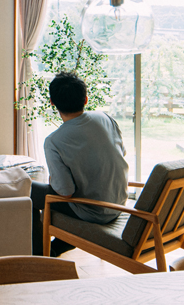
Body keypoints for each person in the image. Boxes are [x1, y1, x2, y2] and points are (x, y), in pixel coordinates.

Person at [31, 71, 128, 257]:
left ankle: (39, 255)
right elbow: (120, 154)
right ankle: (58, 247)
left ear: (52, 102)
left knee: (29, 190)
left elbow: (65, 191)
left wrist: (55, 179)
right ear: (85, 99)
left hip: (93, 212)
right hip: (118, 203)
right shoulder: (105, 118)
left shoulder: (54, 141)